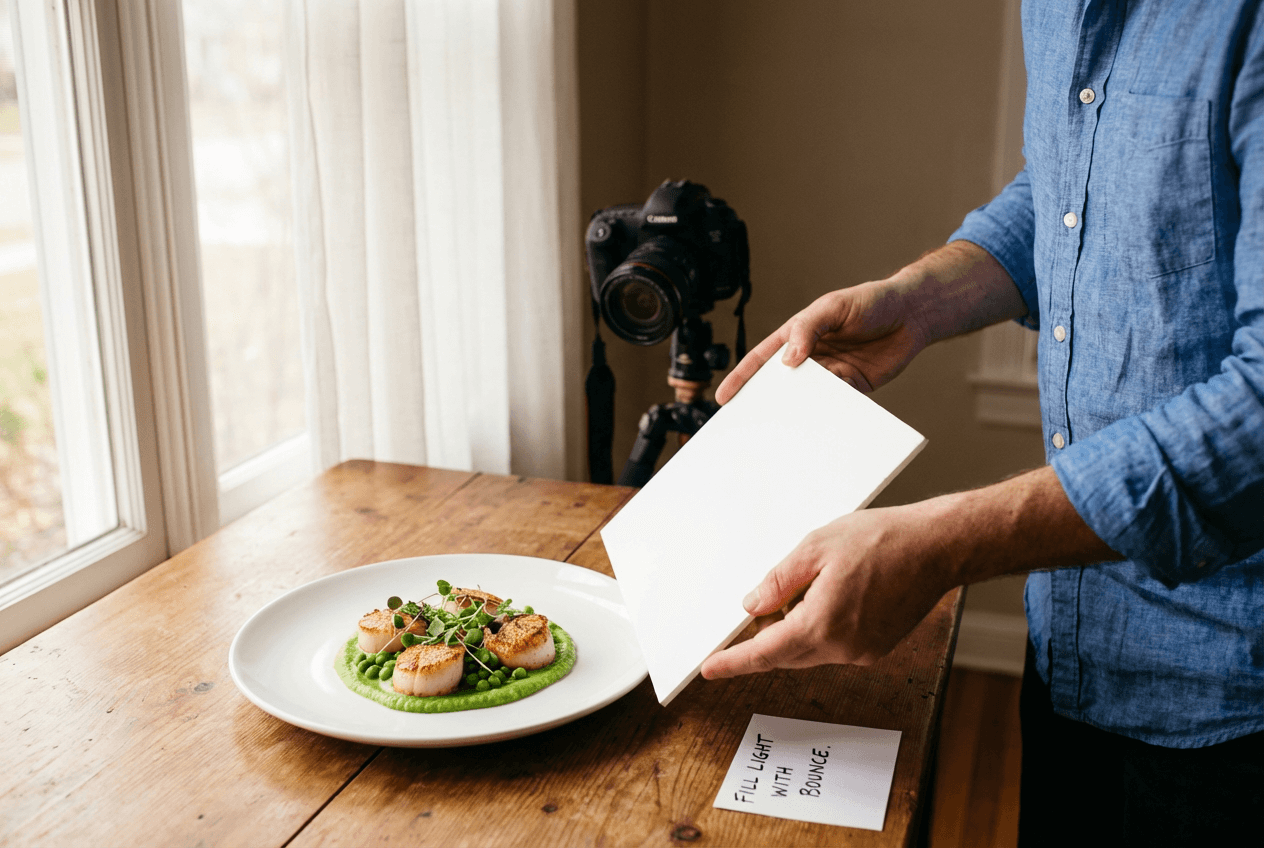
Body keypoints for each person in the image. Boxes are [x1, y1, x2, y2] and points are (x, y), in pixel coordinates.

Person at [699, 3, 1264, 844]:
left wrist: (946, 542)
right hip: (1075, 645)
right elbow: (1074, 188)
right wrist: (922, 299)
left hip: (1235, 707)